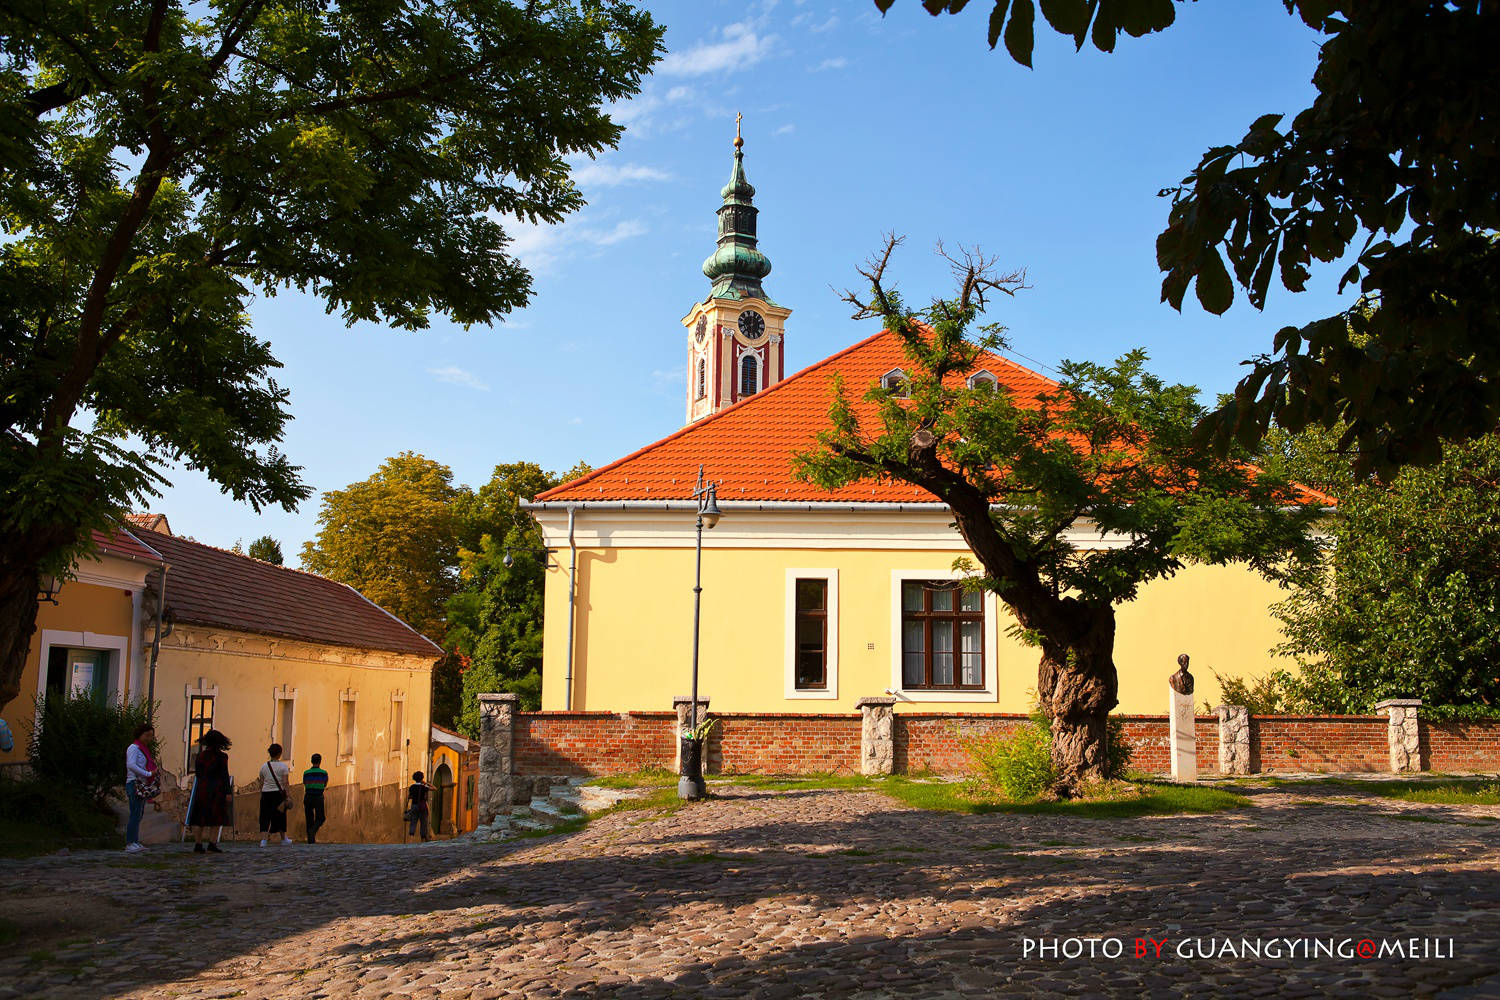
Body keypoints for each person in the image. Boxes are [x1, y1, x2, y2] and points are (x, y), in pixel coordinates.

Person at [186, 729, 232, 853]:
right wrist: (228, 792)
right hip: (217, 789)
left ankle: (198, 844)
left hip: (202, 788)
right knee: (216, 817)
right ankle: (212, 843)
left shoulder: (200, 756)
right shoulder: (222, 757)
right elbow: (224, 775)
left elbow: (198, 773)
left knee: (199, 817)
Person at [124, 723, 158, 853]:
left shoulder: (142, 749)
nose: (149, 738)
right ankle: (130, 842)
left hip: (142, 785)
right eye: (147, 735)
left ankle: (135, 841)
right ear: (140, 734)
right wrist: (148, 774)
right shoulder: (134, 748)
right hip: (134, 783)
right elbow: (131, 765)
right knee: (135, 813)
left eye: (151, 736)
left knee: (139, 814)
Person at [258, 743, 294, 846]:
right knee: (280, 816)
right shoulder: (283, 766)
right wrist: (287, 795)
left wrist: (263, 792)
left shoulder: (264, 766)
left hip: (266, 793)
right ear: (279, 754)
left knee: (265, 816)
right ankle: (284, 838)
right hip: (278, 794)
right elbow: (285, 782)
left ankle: (264, 840)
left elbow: (261, 782)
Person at [302, 753, 328, 844]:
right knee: (321, 818)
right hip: (318, 796)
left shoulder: (306, 773)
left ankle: (310, 840)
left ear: (311, 761)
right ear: (320, 761)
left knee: (309, 818)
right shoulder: (324, 773)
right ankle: (312, 831)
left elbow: (305, 783)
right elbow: (325, 784)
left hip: (308, 796)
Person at [406, 771, 434, 842]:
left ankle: (411, 839)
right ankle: (422, 839)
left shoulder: (412, 787)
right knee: (423, 822)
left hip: (414, 805)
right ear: (422, 778)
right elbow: (434, 788)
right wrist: (426, 783)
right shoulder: (424, 787)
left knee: (413, 822)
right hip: (422, 806)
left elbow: (409, 797)